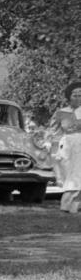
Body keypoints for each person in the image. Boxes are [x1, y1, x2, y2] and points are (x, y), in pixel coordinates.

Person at [48, 80, 81, 214]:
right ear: (69, 97)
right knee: (69, 175)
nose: (78, 97)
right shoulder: (61, 113)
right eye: (75, 95)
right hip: (67, 146)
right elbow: (53, 131)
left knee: (79, 174)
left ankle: (74, 206)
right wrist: (52, 147)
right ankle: (68, 205)